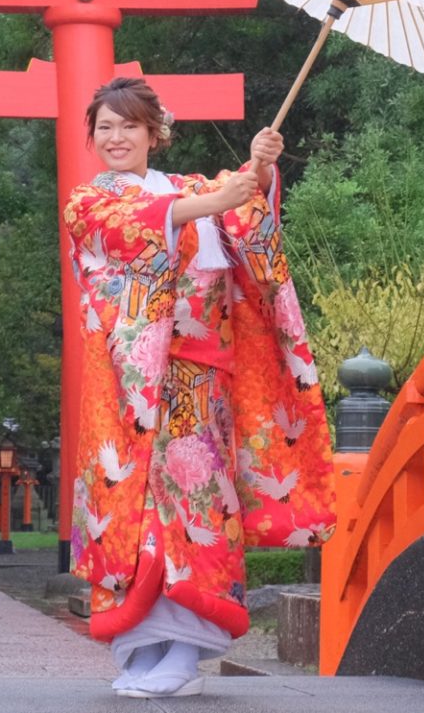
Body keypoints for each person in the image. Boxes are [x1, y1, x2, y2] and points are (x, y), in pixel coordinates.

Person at [63, 77, 334, 699]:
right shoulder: (90, 201)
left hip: (195, 380)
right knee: (133, 510)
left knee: (197, 505)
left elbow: (245, 219)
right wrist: (221, 200)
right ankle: (144, 643)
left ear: (155, 132)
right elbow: (134, 230)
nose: (115, 137)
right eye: (104, 126)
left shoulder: (189, 186)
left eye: (129, 125)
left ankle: (185, 648)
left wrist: (259, 171)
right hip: (130, 387)